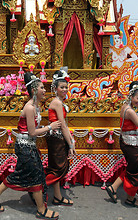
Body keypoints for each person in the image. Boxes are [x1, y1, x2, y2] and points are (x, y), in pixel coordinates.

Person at [0, 72, 61, 220]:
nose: (44, 90)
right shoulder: (30, 108)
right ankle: (41, 210)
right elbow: (32, 132)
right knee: (36, 177)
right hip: (25, 145)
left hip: (28, 145)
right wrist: (50, 127)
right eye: (41, 87)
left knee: (24, 174)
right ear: (33, 90)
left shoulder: (35, 105)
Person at [105, 81, 138, 209]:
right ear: (131, 96)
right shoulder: (130, 111)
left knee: (135, 168)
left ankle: (115, 188)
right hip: (131, 144)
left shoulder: (126, 107)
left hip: (129, 142)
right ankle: (129, 198)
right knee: (136, 171)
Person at [45, 68, 76, 206]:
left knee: (56, 167)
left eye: (66, 87)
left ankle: (57, 197)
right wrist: (70, 144)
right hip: (55, 138)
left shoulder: (60, 102)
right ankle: (37, 186)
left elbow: (64, 125)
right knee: (58, 168)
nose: (65, 89)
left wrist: (70, 140)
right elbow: (63, 125)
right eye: (62, 87)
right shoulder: (57, 103)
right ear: (55, 88)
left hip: (58, 138)